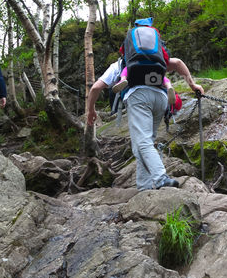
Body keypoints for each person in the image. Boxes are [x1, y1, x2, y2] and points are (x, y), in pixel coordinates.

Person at [86, 23, 203, 190]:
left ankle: (161, 177)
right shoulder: (157, 59)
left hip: (138, 97)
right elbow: (177, 62)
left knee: (143, 142)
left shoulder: (121, 64)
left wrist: (91, 110)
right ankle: (144, 187)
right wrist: (193, 86)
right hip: (160, 98)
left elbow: (96, 87)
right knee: (143, 143)